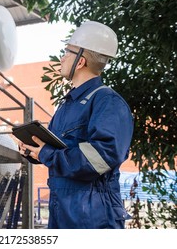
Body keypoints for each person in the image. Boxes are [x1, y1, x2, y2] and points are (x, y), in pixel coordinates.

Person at [18, 21, 134, 229]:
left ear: (80, 62)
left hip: (93, 216)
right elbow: (56, 151)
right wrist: (33, 149)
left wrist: (48, 154)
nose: (62, 58)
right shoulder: (67, 105)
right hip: (62, 211)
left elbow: (101, 157)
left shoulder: (107, 102)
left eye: (66, 52)